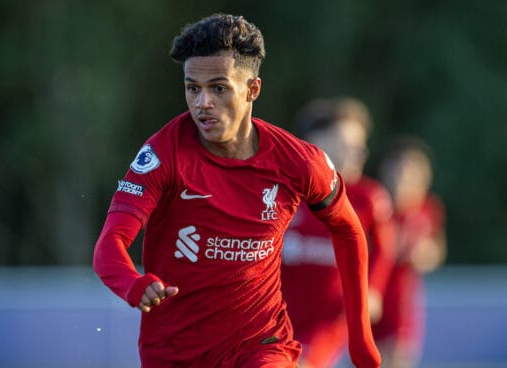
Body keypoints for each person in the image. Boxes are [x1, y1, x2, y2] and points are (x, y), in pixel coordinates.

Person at [93, 14, 380, 368]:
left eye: (218, 88)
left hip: (262, 345)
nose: (202, 103)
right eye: (192, 88)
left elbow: (349, 230)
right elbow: (109, 245)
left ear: (252, 89)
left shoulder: (299, 162)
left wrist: (360, 334)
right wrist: (132, 284)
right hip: (173, 352)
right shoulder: (163, 155)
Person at [281, 97, 396, 368]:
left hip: (329, 318)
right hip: (277, 313)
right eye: (348, 144)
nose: (359, 152)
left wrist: (373, 290)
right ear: (315, 142)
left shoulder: (368, 198)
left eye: (361, 145)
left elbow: (383, 249)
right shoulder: (283, 191)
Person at [372, 136, 447, 368]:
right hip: (371, 297)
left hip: (403, 305)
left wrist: (427, 254)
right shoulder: (375, 203)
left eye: (414, 170)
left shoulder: (428, 208)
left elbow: (437, 250)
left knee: (399, 359)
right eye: (401, 168)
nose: (405, 176)